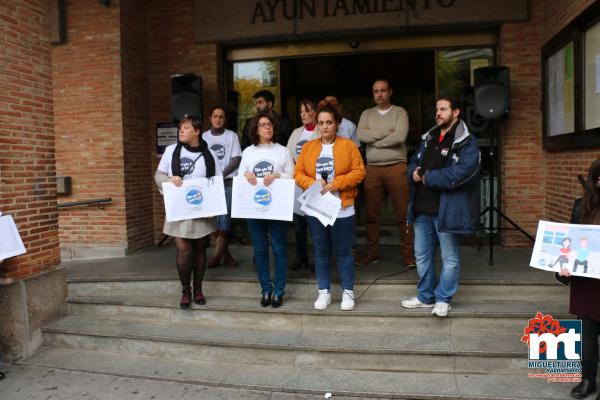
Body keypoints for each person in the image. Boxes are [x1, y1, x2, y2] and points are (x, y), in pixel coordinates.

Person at [401, 94, 481, 317]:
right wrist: (413, 172)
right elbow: (413, 162)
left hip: (446, 210)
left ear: (456, 112)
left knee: (450, 258)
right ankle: (426, 296)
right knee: (422, 256)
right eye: (437, 109)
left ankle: (443, 298)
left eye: (443, 109)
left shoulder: (466, 141)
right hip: (421, 209)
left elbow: (464, 171)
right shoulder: (430, 137)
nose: (438, 113)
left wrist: (427, 177)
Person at [295, 100, 365, 311]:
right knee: (321, 251)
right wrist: (313, 183)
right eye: (321, 123)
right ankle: (323, 292)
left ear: (337, 124)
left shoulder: (349, 146)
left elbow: (360, 171)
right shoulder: (308, 148)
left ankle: (348, 293)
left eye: (329, 122)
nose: (325, 126)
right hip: (317, 207)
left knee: (343, 252)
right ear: (317, 125)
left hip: (343, 207)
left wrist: (338, 183)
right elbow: (298, 173)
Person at [154, 116, 221, 309]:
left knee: (200, 249)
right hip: (179, 210)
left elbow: (216, 181)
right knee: (184, 250)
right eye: (180, 129)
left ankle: (198, 288)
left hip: (202, 209)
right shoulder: (171, 151)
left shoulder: (210, 154)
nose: (181, 131)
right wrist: (168, 180)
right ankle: (186, 290)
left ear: (197, 131)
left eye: (185, 128)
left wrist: (214, 208)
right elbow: (158, 175)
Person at [356, 79, 415, 267]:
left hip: (397, 166)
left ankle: (408, 255)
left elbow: (400, 136)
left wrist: (375, 141)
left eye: (383, 90)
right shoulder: (366, 114)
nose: (379, 94)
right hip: (372, 168)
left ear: (390, 92)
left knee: (403, 213)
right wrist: (386, 133)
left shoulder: (400, 112)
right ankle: (372, 254)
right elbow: (361, 135)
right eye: (376, 91)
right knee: (372, 215)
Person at [238, 111, 294, 308]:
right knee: (260, 249)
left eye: (270, 124)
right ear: (256, 129)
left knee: (279, 248)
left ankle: (279, 290)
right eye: (262, 124)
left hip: (277, 208)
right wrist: (246, 174)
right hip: (255, 208)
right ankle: (265, 288)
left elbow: (293, 178)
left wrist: (278, 176)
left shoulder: (283, 151)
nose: (267, 127)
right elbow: (240, 178)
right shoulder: (248, 152)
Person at [558, 158, 600, 400]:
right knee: (587, 332)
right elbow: (570, 245)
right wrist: (564, 266)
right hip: (587, 281)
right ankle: (587, 381)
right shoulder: (580, 206)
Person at [203, 106, 242, 269]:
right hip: (209, 184)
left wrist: (220, 174)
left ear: (224, 119)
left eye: (221, 117)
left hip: (227, 183)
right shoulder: (204, 137)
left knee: (224, 219)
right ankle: (226, 254)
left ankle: (216, 256)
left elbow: (236, 159)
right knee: (214, 219)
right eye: (215, 116)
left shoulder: (231, 136)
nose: (218, 119)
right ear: (210, 118)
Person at [287, 99, 319, 271]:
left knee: (315, 224)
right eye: (302, 112)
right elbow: (288, 155)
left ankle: (317, 259)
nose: (305, 115)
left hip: (314, 184)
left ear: (315, 112)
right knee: (299, 226)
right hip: (297, 184)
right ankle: (301, 257)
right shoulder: (295, 132)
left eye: (308, 111)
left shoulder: (321, 131)